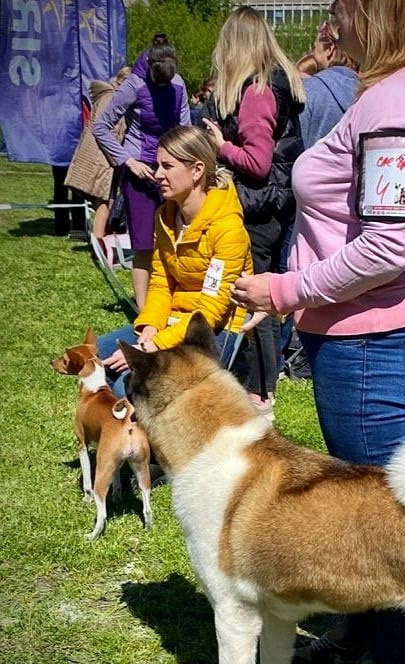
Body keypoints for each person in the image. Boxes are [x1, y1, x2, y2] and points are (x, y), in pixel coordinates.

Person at [232, 0, 405, 664]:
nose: (332, 25)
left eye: (339, 11)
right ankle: (358, 641)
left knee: (380, 519)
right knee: (365, 505)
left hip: (373, 339)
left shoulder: (396, 102)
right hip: (374, 336)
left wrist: (286, 286)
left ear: (374, 13)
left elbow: (388, 245)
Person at [202, 5, 306, 419]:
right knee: (255, 297)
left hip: (261, 208)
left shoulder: (258, 92)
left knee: (255, 298)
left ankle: (261, 392)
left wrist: (219, 146)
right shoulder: (268, 86)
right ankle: (258, 383)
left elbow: (258, 163)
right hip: (269, 206)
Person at [97, 125, 253, 398]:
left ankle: (152, 436)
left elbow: (210, 313)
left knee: (130, 385)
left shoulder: (228, 228)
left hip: (212, 328)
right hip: (173, 320)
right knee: (99, 355)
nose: (157, 174)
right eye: (158, 165)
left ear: (197, 170)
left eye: (167, 166)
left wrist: (150, 347)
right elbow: (161, 282)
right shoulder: (164, 216)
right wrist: (149, 328)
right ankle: (129, 435)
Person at [93, 34, 190, 311]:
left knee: (175, 242)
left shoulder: (179, 85)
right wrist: (127, 161)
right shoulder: (133, 86)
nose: (163, 86)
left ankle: (173, 303)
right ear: (149, 68)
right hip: (140, 177)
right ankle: (144, 310)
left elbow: (185, 128)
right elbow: (100, 127)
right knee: (144, 245)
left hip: (171, 174)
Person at [65, 67, 131, 247]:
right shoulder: (111, 98)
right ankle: (99, 244)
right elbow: (109, 130)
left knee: (105, 199)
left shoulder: (107, 96)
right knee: (103, 198)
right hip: (100, 157)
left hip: (101, 154)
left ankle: (101, 238)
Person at [298, 20, 359, 149]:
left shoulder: (310, 90)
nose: (313, 54)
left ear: (329, 49)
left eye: (315, 48)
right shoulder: (369, 89)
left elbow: (296, 142)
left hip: (311, 166)